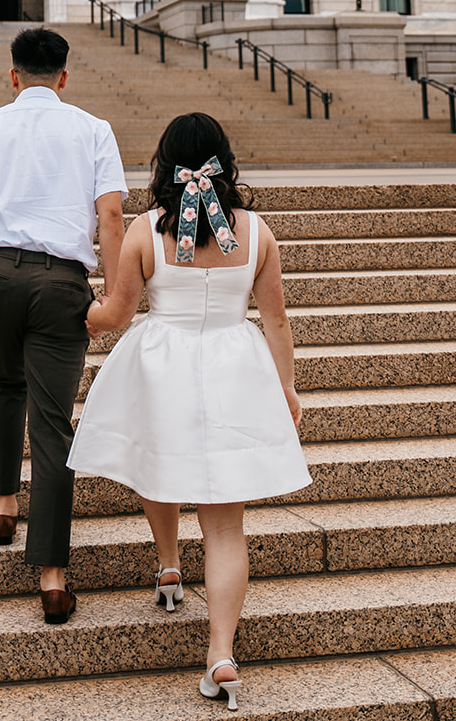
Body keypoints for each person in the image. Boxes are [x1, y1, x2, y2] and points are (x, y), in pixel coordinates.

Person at [67, 112, 309, 711]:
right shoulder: (256, 233)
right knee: (226, 525)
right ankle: (221, 653)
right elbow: (275, 318)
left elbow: (118, 313)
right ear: (226, 163)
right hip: (234, 363)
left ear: (163, 164)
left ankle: (170, 567)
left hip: (162, 361)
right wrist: (286, 386)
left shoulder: (147, 231)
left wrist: (76, 309)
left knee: (158, 465)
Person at [0, 27, 128, 625]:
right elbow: (111, 216)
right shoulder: (93, 130)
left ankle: (2, 504)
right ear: (65, 77)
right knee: (52, 426)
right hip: (59, 280)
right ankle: (51, 577)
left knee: (5, 384)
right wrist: (115, 293)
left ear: (14, 75)